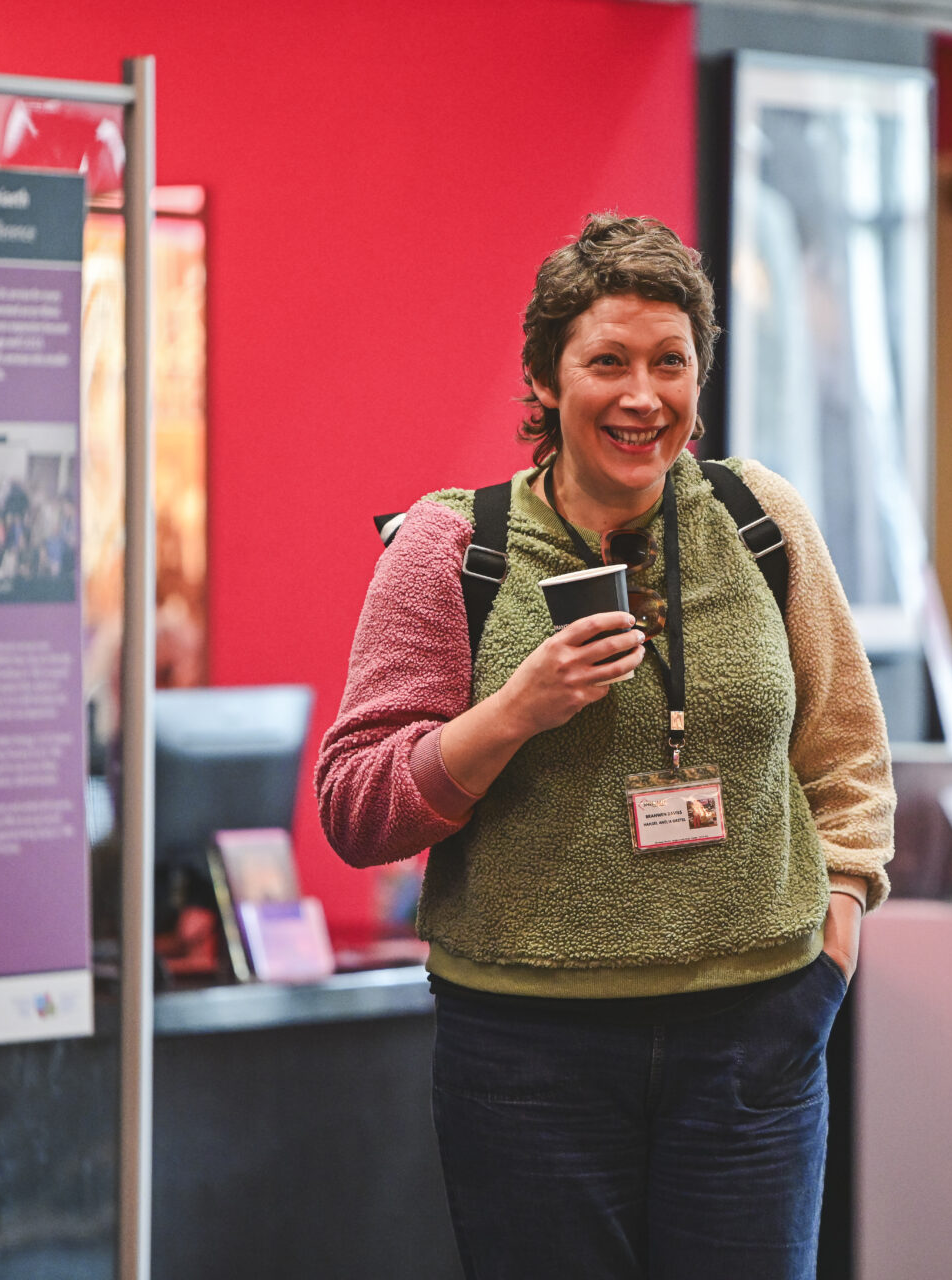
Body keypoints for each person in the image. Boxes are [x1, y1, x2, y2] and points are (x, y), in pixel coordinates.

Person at [316, 213, 894, 1279]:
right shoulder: (454, 547)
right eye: (608, 362)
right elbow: (355, 804)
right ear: (545, 379)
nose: (643, 395)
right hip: (531, 1051)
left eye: (670, 361)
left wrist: (837, 929)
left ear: (699, 377)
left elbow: (847, 753)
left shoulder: (760, 518)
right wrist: (512, 712)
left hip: (755, 1030)